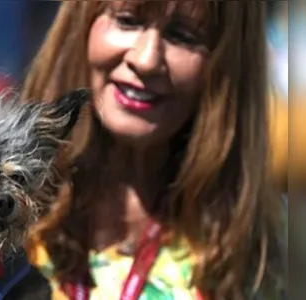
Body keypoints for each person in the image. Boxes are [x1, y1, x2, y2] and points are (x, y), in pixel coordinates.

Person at [21, 1, 286, 299]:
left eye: (183, 36)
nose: (146, 60)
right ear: (80, 24)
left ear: (226, 65)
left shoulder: (255, 252)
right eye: (127, 21)